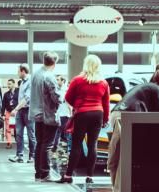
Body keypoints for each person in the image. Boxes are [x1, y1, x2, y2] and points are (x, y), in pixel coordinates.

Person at [108, 68, 159, 192]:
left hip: (116, 114)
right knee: (125, 156)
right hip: (127, 117)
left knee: (117, 155)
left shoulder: (144, 86)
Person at [59, 54, 110, 184]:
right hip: (97, 113)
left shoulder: (77, 80)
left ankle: (68, 175)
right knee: (93, 145)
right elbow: (106, 103)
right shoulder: (103, 83)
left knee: (76, 145)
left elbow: (68, 97)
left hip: (82, 113)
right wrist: (105, 119)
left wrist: (77, 105)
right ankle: (90, 176)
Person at [29, 52, 63, 181]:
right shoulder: (49, 76)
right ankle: (45, 173)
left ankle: (38, 173)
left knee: (40, 143)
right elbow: (57, 97)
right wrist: (62, 96)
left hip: (36, 114)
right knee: (47, 145)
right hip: (47, 115)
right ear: (54, 63)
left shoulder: (36, 74)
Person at [9, 65, 36, 163]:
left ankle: (32, 156)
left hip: (29, 111)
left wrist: (16, 109)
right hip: (21, 111)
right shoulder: (22, 82)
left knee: (31, 134)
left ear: (23, 71)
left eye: (18, 71)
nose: (17, 73)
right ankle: (19, 155)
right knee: (19, 134)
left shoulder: (31, 81)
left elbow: (27, 98)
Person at [50, 75, 70, 154]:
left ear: (63, 81)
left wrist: (70, 113)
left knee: (64, 131)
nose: (56, 81)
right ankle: (55, 146)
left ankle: (65, 148)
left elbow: (67, 103)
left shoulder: (66, 90)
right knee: (58, 131)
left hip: (65, 114)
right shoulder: (57, 90)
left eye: (58, 79)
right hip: (59, 113)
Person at [2, 78, 18, 147]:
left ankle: (18, 141)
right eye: (8, 84)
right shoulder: (6, 94)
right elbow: (3, 105)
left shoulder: (18, 92)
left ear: (14, 84)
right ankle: (9, 142)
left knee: (16, 128)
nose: (8, 85)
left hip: (17, 112)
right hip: (8, 112)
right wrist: (2, 114)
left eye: (10, 84)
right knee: (8, 128)